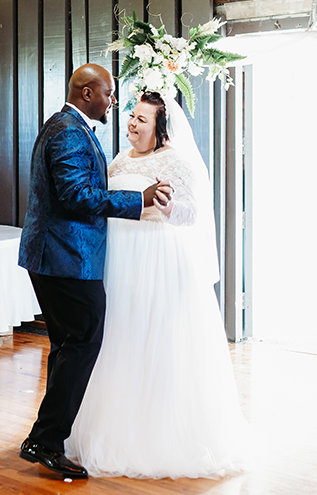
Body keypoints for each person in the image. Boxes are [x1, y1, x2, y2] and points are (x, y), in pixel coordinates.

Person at [66, 90, 249, 479]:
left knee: (156, 340)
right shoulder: (119, 160)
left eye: (142, 120)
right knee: (117, 337)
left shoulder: (175, 161)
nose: (132, 124)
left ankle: (158, 434)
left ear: (161, 129)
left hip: (156, 257)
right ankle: (113, 427)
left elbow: (191, 214)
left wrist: (168, 208)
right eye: (132, 116)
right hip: (118, 257)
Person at [17, 64, 172, 480]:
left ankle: (49, 437)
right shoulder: (69, 131)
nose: (113, 102)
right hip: (66, 258)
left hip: (55, 257)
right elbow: (76, 196)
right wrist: (137, 200)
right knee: (83, 343)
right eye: (109, 93)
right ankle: (45, 440)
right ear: (87, 93)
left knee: (67, 346)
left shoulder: (65, 125)